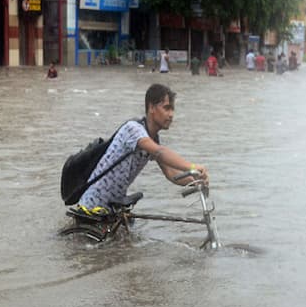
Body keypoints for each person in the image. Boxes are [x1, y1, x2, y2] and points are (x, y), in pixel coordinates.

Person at [76, 83, 208, 214]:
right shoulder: (134, 129)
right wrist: (192, 167)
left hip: (112, 206)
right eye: (166, 108)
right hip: (93, 205)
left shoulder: (152, 138)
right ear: (151, 107)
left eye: (172, 109)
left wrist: (196, 181)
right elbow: (160, 152)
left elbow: (171, 174)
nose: (171, 114)